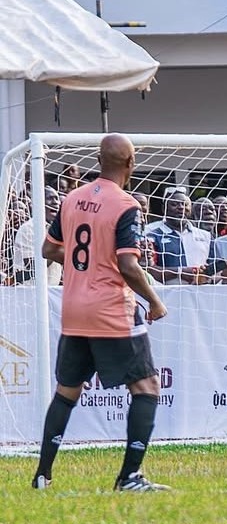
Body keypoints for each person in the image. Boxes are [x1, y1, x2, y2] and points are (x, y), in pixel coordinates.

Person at [32, 134, 170, 492]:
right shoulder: (126, 205)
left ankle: (42, 476)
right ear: (130, 164)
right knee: (147, 387)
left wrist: (88, 266)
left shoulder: (72, 198)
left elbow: (49, 248)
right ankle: (130, 477)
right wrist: (154, 300)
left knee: (66, 392)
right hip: (111, 310)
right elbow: (127, 264)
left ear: (97, 159)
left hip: (74, 309)